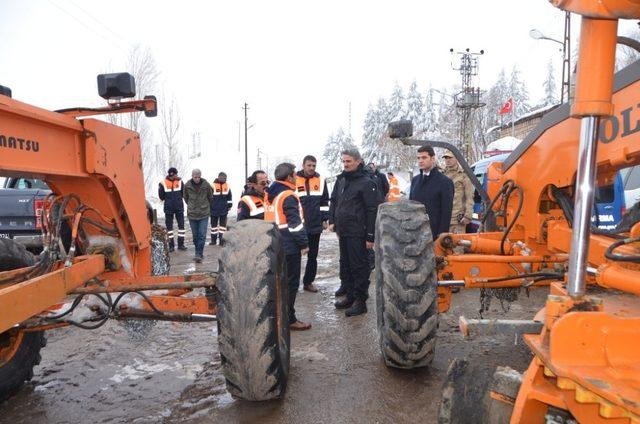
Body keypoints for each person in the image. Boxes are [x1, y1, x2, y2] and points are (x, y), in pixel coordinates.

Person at [329, 148, 379, 317]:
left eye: (348, 161)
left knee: (359, 267)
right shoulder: (342, 180)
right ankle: (350, 296)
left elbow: (372, 210)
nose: (345, 164)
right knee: (346, 265)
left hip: (359, 232)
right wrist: (333, 222)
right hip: (344, 230)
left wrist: (371, 235)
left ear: (358, 161)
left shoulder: (367, 183)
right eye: (343, 161)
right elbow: (335, 201)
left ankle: (360, 301)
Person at [265, 163, 311, 331]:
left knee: (278, 284)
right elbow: (295, 224)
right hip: (289, 247)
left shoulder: (271, 193)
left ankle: (278, 318)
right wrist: (304, 243)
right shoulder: (288, 195)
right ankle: (289, 319)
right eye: (294, 174)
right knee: (290, 285)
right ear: (289, 177)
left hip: (274, 243)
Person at [295, 155, 330, 293]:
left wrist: (324, 219)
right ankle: (293, 284)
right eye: (309, 165)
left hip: (315, 225)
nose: (311, 168)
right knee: (294, 256)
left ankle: (308, 282)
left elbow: (324, 201)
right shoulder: (294, 180)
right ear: (303, 165)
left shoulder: (321, 181)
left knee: (312, 256)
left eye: (314, 165)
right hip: (298, 226)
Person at [409, 146, 454, 239]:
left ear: (433, 159)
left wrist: (441, 235)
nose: (420, 161)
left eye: (424, 157)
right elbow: (411, 206)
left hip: (433, 234)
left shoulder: (445, 182)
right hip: (415, 233)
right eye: (418, 158)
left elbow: (446, 212)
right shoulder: (415, 180)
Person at [184, 169, 213, 263]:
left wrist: (205, 206)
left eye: (198, 177)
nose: (197, 179)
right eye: (195, 177)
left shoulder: (206, 185)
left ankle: (198, 253)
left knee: (202, 235)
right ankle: (198, 252)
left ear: (201, 176)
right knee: (195, 236)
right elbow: (186, 198)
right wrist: (192, 205)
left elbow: (210, 197)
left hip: (204, 213)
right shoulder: (187, 186)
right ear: (192, 176)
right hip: (192, 214)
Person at [442, 153, 475, 234]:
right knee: (442, 245)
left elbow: (469, 196)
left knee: (457, 244)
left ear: (456, 158)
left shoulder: (463, 175)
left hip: (457, 219)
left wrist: (468, 215)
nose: (448, 160)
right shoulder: (441, 174)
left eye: (450, 157)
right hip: (443, 218)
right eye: (446, 158)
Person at [158, 167, 187, 252]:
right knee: (169, 228)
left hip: (179, 208)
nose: (176, 176)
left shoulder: (180, 182)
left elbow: (183, 194)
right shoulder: (162, 183)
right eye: (175, 174)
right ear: (172, 174)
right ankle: (171, 246)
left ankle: (181, 244)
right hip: (168, 208)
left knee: (181, 226)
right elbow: (161, 196)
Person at [209, 172, 232, 246]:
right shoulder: (212, 186)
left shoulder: (227, 186)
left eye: (225, 178)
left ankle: (222, 242)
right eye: (222, 177)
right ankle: (213, 241)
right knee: (214, 227)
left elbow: (229, 197)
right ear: (218, 177)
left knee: (222, 227)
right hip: (214, 209)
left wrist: (229, 205)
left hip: (224, 210)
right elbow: (208, 197)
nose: (224, 179)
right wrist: (209, 207)